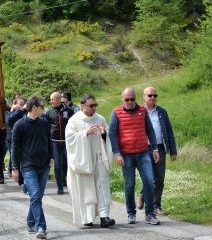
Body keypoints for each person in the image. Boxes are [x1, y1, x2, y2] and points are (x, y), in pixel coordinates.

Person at [108, 87, 161, 225]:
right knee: (129, 185)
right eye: (127, 99)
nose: (130, 102)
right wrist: (117, 153)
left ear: (136, 98)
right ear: (122, 99)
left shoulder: (142, 111)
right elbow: (112, 134)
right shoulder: (116, 112)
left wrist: (155, 149)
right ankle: (131, 213)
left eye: (132, 99)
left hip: (143, 153)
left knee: (149, 182)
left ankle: (149, 214)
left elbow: (150, 130)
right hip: (126, 155)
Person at [65, 94, 115, 228]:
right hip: (83, 161)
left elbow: (107, 138)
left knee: (101, 187)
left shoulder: (100, 119)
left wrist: (104, 134)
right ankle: (88, 217)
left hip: (99, 159)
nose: (94, 108)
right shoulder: (74, 121)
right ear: (83, 105)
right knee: (87, 189)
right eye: (91, 105)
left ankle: (105, 217)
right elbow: (69, 140)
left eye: (95, 105)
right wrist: (85, 134)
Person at [11, 95, 54, 240]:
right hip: (28, 167)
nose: (44, 108)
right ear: (34, 107)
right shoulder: (19, 125)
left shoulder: (43, 122)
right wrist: (15, 168)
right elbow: (14, 148)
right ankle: (40, 226)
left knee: (37, 197)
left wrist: (52, 156)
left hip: (44, 165)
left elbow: (49, 140)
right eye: (42, 106)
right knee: (35, 196)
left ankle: (30, 222)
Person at [137, 87, 177, 216]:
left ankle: (156, 205)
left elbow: (169, 131)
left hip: (160, 148)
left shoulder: (161, 112)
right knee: (147, 176)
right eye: (150, 95)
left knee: (159, 178)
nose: (152, 98)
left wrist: (173, 150)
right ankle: (142, 196)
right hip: (144, 148)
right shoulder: (139, 111)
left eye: (155, 95)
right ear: (144, 96)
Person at [44, 92, 74, 194]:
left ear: (59, 99)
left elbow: (73, 123)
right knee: (57, 165)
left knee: (70, 163)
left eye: (53, 99)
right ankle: (60, 185)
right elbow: (46, 126)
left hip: (67, 141)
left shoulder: (69, 110)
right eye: (50, 100)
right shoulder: (49, 112)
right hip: (55, 142)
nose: (51, 101)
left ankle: (71, 184)